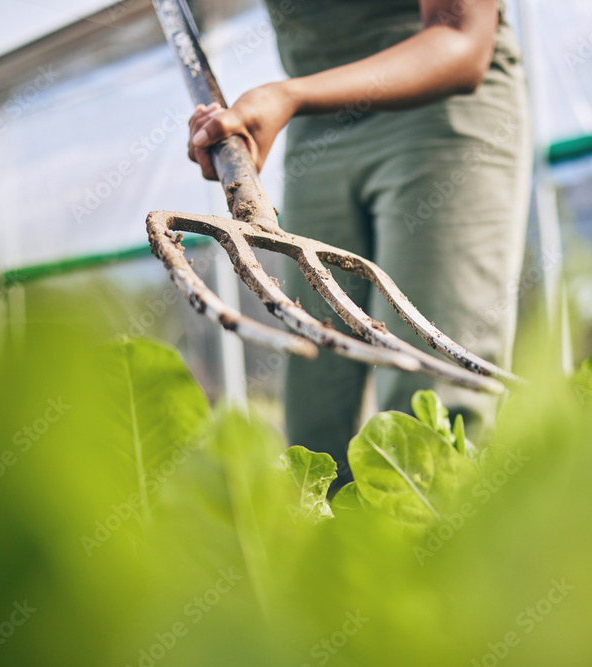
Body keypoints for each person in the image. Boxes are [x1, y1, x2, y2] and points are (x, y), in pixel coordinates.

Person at [188, 0, 531, 488]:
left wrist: (285, 96)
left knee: (429, 404)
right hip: (316, 124)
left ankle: (443, 551)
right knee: (315, 417)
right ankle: (331, 554)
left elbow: (460, 38)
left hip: (438, 106)